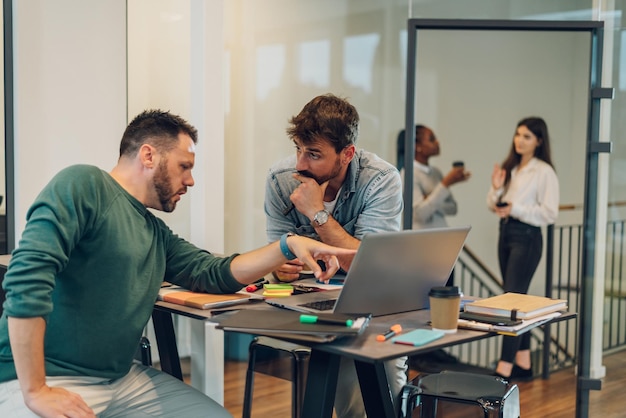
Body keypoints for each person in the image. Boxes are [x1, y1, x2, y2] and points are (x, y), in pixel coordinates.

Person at [0, 109, 355, 418]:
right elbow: (26, 279)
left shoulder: (154, 232)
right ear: (149, 155)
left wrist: (287, 245)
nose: (191, 180)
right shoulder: (84, 184)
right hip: (42, 378)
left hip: (121, 379)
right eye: (184, 166)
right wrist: (36, 391)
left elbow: (213, 272)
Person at [264, 93, 406, 417]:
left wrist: (317, 213)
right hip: (308, 302)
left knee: (386, 394)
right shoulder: (279, 179)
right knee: (346, 389)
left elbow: (372, 266)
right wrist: (280, 267)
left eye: (313, 154)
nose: (301, 164)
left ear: (347, 154)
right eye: (298, 149)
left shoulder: (381, 180)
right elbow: (277, 257)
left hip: (374, 299)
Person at [487, 116, 559, 381]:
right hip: (505, 232)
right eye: (518, 134)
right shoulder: (512, 168)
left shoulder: (544, 172)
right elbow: (493, 204)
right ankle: (524, 364)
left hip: (527, 237)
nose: (520, 140)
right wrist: (496, 190)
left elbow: (549, 213)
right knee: (515, 297)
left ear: (539, 141)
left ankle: (503, 368)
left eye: (527, 136)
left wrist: (515, 208)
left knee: (512, 303)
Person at [401, 125, 470, 231]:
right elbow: (420, 214)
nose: (437, 142)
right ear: (417, 146)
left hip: (441, 237)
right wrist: (445, 185)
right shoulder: (408, 174)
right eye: (432, 139)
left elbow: (453, 208)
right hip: (422, 241)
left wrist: (429, 199)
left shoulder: (436, 172)